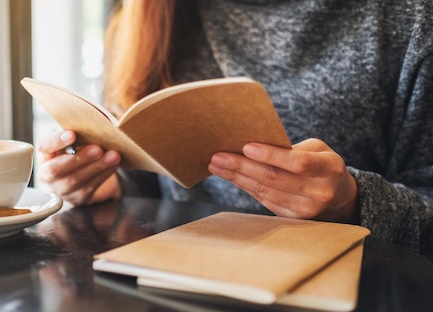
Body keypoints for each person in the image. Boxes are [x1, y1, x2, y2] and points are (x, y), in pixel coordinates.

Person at [35, 0, 433, 260]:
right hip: (175, 291)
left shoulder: (409, 17)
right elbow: (167, 181)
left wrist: (353, 202)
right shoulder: (146, 14)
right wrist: (111, 184)